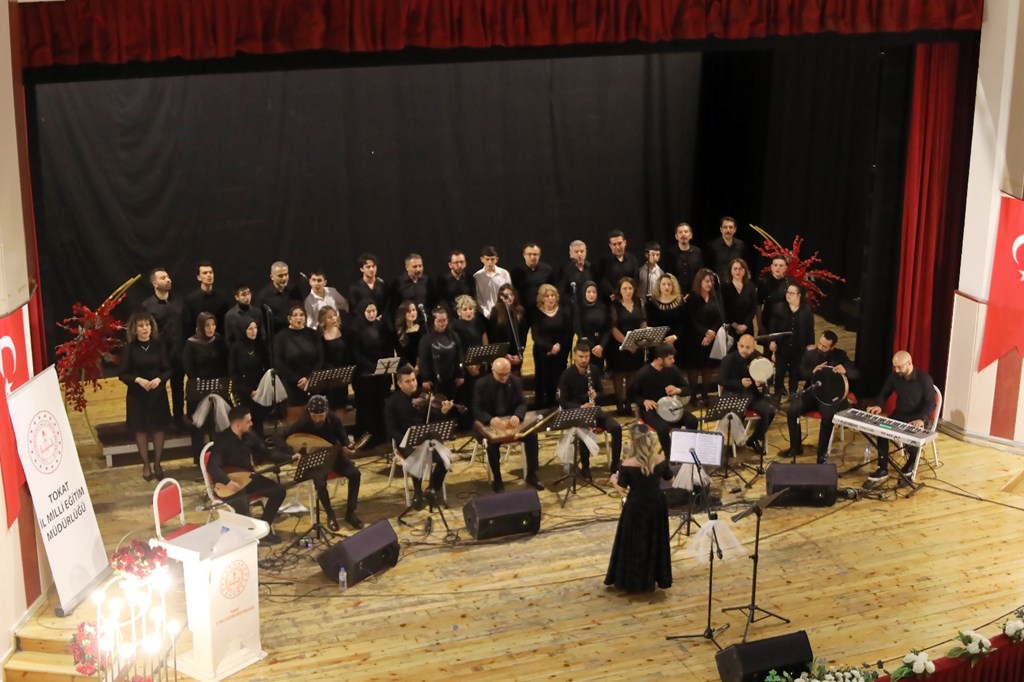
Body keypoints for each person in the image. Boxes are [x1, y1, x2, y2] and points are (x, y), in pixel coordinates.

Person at [206, 405, 291, 546]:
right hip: (229, 484)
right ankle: (245, 540)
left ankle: (263, 530)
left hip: (248, 478)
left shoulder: (249, 435)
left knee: (279, 491)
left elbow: (266, 453)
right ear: (238, 425)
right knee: (242, 502)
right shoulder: (222, 440)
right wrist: (228, 482)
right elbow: (213, 466)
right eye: (248, 421)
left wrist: (290, 457)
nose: (251, 423)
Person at [605, 425, 673, 593]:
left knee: (635, 542)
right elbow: (670, 480)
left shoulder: (627, 464)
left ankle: (634, 581)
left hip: (636, 506)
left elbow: (622, 488)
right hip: (657, 504)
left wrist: (613, 480)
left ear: (633, 441)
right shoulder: (660, 459)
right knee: (654, 540)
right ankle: (654, 577)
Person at [284, 394, 363, 529]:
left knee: (355, 474)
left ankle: (351, 512)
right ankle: (330, 515)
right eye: (314, 416)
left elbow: (342, 436)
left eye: (320, 416)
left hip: (333, 456)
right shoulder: (303, 422)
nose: (317, 419)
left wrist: (348, 445)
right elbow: (281, 437)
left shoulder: (334, 419)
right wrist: (293, 453)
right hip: (315, 460)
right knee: (320, 484)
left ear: (326, 411)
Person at [780, 331, 859, 463]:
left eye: (824, 346)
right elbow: (800, 373)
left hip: (830, 397)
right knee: (792, 410)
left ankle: (821, 455)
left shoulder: (840, 356)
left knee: (827, 418)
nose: (820, 347)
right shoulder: (810, 354)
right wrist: (812, 372)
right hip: (813, 393)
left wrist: (845, 370)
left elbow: (856, 373)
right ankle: (795, 447)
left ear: (832, 347)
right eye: (820, 343)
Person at [473, 357, 546, 493]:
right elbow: (476, 409)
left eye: (507, 373)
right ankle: (497, 479)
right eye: (501, 374)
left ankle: (531, 474)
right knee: (492, 444)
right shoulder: (481, 384)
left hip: (510, 422)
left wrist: (517, 415)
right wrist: (490, 419)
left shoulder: (515, 381)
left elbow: (522, 403)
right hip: (490, 423)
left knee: (532, 435)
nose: (505, 377)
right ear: (493, 370)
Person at [385, 365, 455, 507]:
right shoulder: (391, 403)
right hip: (405, 442)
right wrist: (408, 441)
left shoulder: (425, 398)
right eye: (408, 381)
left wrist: (442, 412)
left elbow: (434, 422)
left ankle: (432, 489)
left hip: (426, 439)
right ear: (399, 384)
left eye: (413, 380)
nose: (412, 384)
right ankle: (418, 492)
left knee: (445, 459)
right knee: (417, 458)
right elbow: (391, 430)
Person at [866, 351, 936, 483]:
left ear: (909, 363)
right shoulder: (894, 376)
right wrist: (879, 405)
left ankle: (910, 465)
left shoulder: (924, 379)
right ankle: (882, 468)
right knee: (882, 430)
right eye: (895, 367)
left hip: (918, 418)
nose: (897, 370)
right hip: (899, 415)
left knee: (913, 434)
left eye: (899, 367)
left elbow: (931, 403)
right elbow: (884, 393)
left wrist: (922, 419)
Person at [118, 312, 171, 481]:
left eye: (147, 325)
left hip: (157, 394)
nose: (145, 328)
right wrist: (138, 380)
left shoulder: (159, 345)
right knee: (140, 429)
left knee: (158, 428)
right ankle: (146, 464)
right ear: (134, 329)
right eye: (141, 326)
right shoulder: (129, 348)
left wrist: (159, 379)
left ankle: (157, 463)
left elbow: (168, 370)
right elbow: (122, 374)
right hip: (137, 395)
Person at [557, 341, 623, 475]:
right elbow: (562, 401)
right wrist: (580, 407)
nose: (584, 360)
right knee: (584, 432)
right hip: (577, 413)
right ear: (574, 356)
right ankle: (585, 468)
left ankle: (615, 465)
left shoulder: (593, 370)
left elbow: (601, 392)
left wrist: (596, 394)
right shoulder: (566, 375)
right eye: (581, 357)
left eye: (587, 357)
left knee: (617, 428)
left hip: (594, 411)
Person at [629, 344, 698, 457]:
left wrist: (678, 390)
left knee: (692, 420)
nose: (673, 361)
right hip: (651, 410)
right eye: (670, 358)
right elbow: (631, 396)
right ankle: (670, 456)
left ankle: (688, 452)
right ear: (660, 359)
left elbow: (688, 389)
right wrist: (644, 401)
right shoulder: (643, 374)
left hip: (670, 408)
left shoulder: (673, 370)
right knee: (663, 429)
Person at [717, 334, 776, 456]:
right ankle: (735, 443)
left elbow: (768, 375)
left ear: (753, 347)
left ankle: (753, 440)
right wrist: (740, 383)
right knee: (736, 415)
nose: (744, 350)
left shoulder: (757, 357)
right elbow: (721, 380)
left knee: (770, 411)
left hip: (752, 396)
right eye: (742, 346)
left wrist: (761, 379)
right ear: (738, 345)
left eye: (748, 347)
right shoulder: (728, 359)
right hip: (734, 395)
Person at [140, 267, 185, 426]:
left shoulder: (179, 301)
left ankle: (179, 420)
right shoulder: (147, 306)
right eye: (163, 278)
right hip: (160, 355)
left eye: (168, 277)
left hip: (179, 353)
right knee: (158, 390)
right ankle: (161, 422)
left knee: (178, 388)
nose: (168, 280)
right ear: (154, 283)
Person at [183, 311, 228, 462]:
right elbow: (188, 366)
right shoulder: (191, 343)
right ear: (200, 326)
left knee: (218, 424)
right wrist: (200, 380)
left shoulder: (218, 340)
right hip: (198, 390)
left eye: (213, 325)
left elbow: (224, 362)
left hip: (217, 388)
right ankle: (200, 458)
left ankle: (219, 457)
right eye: (207, 325)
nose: (210, 328)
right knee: (199, 426)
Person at [349, 300, 393, 446]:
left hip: (381, 375)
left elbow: (387, 347)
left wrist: (383, 365)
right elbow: (356, 353)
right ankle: (365, 441)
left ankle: (381, 437)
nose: (372, 314)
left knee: (380, 406)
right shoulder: (355, 329)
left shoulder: (381, 327)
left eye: (374, 311)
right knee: (366, 409)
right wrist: (372, 367)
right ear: (363, 312)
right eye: (369, 311)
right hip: (364, 375)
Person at [273, 305, 324, 421]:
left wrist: (309, 378)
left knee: (313, 421)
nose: (298, 318)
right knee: (295, 422)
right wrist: (297, 380)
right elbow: (278, 361)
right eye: (295, 315)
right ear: (289, 318)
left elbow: (319, 358)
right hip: (292, 385)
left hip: (311, 382)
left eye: (301, 315)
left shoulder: (313, 334)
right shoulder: (281, 337)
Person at [682, 268, 724, 406]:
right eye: (706, 281)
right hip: (694, 337)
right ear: (699, 281)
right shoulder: (692, 297)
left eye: (711, 281)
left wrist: (712, 332)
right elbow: (691, 319)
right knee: (694, 367)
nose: (710, 284)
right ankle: (693, 395)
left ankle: (705, 395)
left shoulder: (715, 296)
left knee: (708, 367)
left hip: (711, 338)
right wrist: (705, 332)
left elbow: (719, 317)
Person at [607, 277, 646, 414]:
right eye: (624, 288)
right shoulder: (614, 305)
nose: (628, 291)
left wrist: (637, 341)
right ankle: (619, 404)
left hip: (636, 345)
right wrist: (627, 343)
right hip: (619, 346)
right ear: (620, 290)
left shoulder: (639, 302)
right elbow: (613, 328)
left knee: (632, 375)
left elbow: (643, 322)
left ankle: (629, 403)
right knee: (619, 375)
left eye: (630, 288)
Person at [769, 283, 815, 396]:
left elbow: (810, 328)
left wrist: (811, 344)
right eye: (787, 292)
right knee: (779, 373)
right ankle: (777, 395)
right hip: (782, 347)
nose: (788, 295)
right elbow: (773, 327)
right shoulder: (779, 307)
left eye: (792, 293)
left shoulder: (807, 310)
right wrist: (772, 341)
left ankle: (793, 395)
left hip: (798, 347)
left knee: (795, 373)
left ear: (799, 295)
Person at [531, 284, 572, 409]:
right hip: (542, 352)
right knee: (541, 379)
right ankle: (539, 406)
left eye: (552, 295)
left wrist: (558, 347)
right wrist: (550, 348)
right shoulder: (536, 313)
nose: (550, 298)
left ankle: (551, 405)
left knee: (555, 379)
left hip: (559, 351)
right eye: (547, 296)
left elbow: (567, 332)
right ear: (542, 298)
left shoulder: (563, 312)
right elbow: (535, 336)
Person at [228, 320, 270, 436]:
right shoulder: (236, 347)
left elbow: (267, 366)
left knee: (259, 420)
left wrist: (261, 388)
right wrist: (248, 391)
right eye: (250, 329)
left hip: (259, 389)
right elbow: (233, 373)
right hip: (243, 391)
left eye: (255, 328)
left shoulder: (259, 345)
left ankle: (259, 443)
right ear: (243, 330)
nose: (253, 331)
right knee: (247, 422)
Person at [418, 306, 465, 399]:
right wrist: (425, 378)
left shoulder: (453, 336)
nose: (442, 323)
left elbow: (459, 356)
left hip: (451, 378)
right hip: (434, 380)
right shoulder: (426, 339)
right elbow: (424, 360)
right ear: (433, 322)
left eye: (444, 320)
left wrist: (460, 374)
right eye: (439, 321)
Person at [255, 260, 308, 337]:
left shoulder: (294, 291)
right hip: (277, 338)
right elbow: (260, 323)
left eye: (286, 274)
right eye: (280, 276)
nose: (284, 278)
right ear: (272, 277)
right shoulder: (264, 297)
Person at [511, 242, 554, 329]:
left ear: (539, 255)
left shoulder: (547, 270)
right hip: (523, 311)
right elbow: (513, 292)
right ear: (524, 255)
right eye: (529, 254)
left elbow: (553, 291)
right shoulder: (516, 271)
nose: (532, 257)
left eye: (535, 254)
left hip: (542, 311)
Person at [646, 273, 688, 360]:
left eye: (669, 284)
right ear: (659, 286)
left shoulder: (680, 301)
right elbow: (651, 323)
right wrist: (662, 340)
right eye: (663, 284)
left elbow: (684, 322)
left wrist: (674, 337)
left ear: (673, 286)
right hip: (657, 342)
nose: (666, 287)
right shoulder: (652, 303)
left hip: (677, 342)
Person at [183, 261, 231, 335]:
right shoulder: (191, 300)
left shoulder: (223, 297)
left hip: (219, 339)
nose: (209, 275)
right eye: (205, 273)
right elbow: (188, 326)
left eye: (210, 272)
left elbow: (226, 323)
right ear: (199, 277)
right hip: (198, 340)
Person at [488, 284, 528, 374]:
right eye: (506, 295)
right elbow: (493, 336)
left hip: (516, 353)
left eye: (511, 294)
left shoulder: (520, 311)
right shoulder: (495, 312)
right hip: (502, 354)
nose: (509, 297)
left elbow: (523, 335)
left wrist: (519, 354)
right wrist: (504, 354)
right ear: (501, 297)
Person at [317, 305, 350, 414]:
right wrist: (331, 371)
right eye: (329, 317)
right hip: (328, 376)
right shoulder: (320, 336)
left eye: (334, 315)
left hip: (343, 373)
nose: (333, 318)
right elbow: (320, 357)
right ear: (323, 320)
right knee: (330, 406)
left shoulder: (343, 331)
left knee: (341, 404)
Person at [758, 256, 792, 357]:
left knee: (782, 353)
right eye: (775, 265)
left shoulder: (790, 282)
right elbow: (758, 304)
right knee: (767, 354)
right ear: (771, 267)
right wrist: (760, 324)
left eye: (781, 265)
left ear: (785, 268)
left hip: (784, 322)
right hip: (767, 321)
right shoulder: (764, 282)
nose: (778, 268)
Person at [722, 258, 761, 341]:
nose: (738, 271)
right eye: (735, 269)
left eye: (740, 269)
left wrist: (745, 325)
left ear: (744, 271)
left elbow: (754, 308)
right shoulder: (724, 287)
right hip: (730, 328)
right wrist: (734, 325)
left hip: (747, 327)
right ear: (730, 271)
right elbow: (723, 308)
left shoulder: (751, 286)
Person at [596, 230, 639, 302]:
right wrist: (612, 293)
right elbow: (603, 280)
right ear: (610, 246)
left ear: (625, 243)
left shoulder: (632, 259)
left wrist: (629, 292)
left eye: (620, 243)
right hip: (612, 300)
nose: (618, 247)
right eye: (614, 244)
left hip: (629, 298)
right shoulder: (604, 261)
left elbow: (635, 277)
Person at [577, 281, 611, 371]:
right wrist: (593, 348)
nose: (591, 294)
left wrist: (601, 346)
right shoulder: (579, 309)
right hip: (585, 347)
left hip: (600, 346)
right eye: (589, 292)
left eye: (594, 292)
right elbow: (579, 330)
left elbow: (608, 328)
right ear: (584, 293)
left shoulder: (603, 307)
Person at [473, 246, 513, 319]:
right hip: (483, 315)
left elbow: (508, 294)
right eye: (487, 259)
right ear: (482, 259)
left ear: (496, 259)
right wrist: (486, 313)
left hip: (502, 314)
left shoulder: (504, 274)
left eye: (492, 259)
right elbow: (478, 298)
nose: (490, 262)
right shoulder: (477, 276)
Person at [705, 216, 747, 281]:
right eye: (725, 227)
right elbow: (708, 268)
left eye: (731, 227)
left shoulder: (741, 245)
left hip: (736, 283)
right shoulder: (712, 245)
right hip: (718, 284)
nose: (728, 230)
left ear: (735, 229)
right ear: (721, 229)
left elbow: (745, 266)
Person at [665, 222, 703, 294]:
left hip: (694, 292)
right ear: (676, 236)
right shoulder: (670, 253)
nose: (683, 234)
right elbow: (668, 275)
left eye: (686, 232)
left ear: (690, 235)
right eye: (680, 232)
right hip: (676, 293)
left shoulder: (697, 251)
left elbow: (700, 273)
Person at [390, 253, 428, 320]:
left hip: (424, 322)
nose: (418, 269)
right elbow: (393, 307)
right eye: (415, 267)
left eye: (420, 266)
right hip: (405, 322)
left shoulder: (427, 281)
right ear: (407, 267)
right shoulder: (398, 283)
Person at [224, 283, 261, 348]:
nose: (247, 297)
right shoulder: (230, 315)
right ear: (236, 297)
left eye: (248, 293)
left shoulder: (257, 312)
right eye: (243, 295)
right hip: (238, 350)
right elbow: (229, 339)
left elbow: (262, 333)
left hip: (256, 348)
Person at [557, 239, 593, 306]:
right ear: (570, 254)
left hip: (590, 306)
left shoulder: (591, 268)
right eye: (576, 252)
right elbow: (561, 292)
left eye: (582, 251)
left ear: (586, 252)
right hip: (572, 306)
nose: (579, 254)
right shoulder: (565, 270)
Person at [394, 300, 424, 371]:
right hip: (406, 368)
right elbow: (400, 354)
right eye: (409, 311)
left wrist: (417, 367)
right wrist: (411, 370)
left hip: (422, 365)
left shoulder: (422, 329)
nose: (412, 313)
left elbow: (423, 350)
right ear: (403, 313)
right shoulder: (399, 332)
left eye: (414, 310)